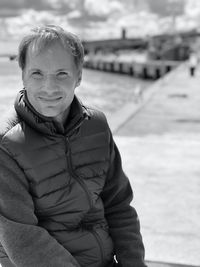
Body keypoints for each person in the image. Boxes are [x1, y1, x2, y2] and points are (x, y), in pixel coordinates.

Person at [0, 25, 146, 267]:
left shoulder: (96, 125)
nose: (49, 87)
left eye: (61, 74)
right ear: (23, 75)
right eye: (37, 73)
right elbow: (22, 238)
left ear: (79, 76)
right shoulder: (6, 144)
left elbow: (119, 205)